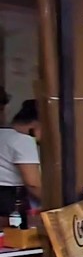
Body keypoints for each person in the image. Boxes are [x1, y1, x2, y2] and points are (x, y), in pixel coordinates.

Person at [0, 90, 40, 220]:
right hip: (10, 204)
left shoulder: (4, 135)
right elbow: (33, 184)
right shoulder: (23, 140)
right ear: (36, 125)